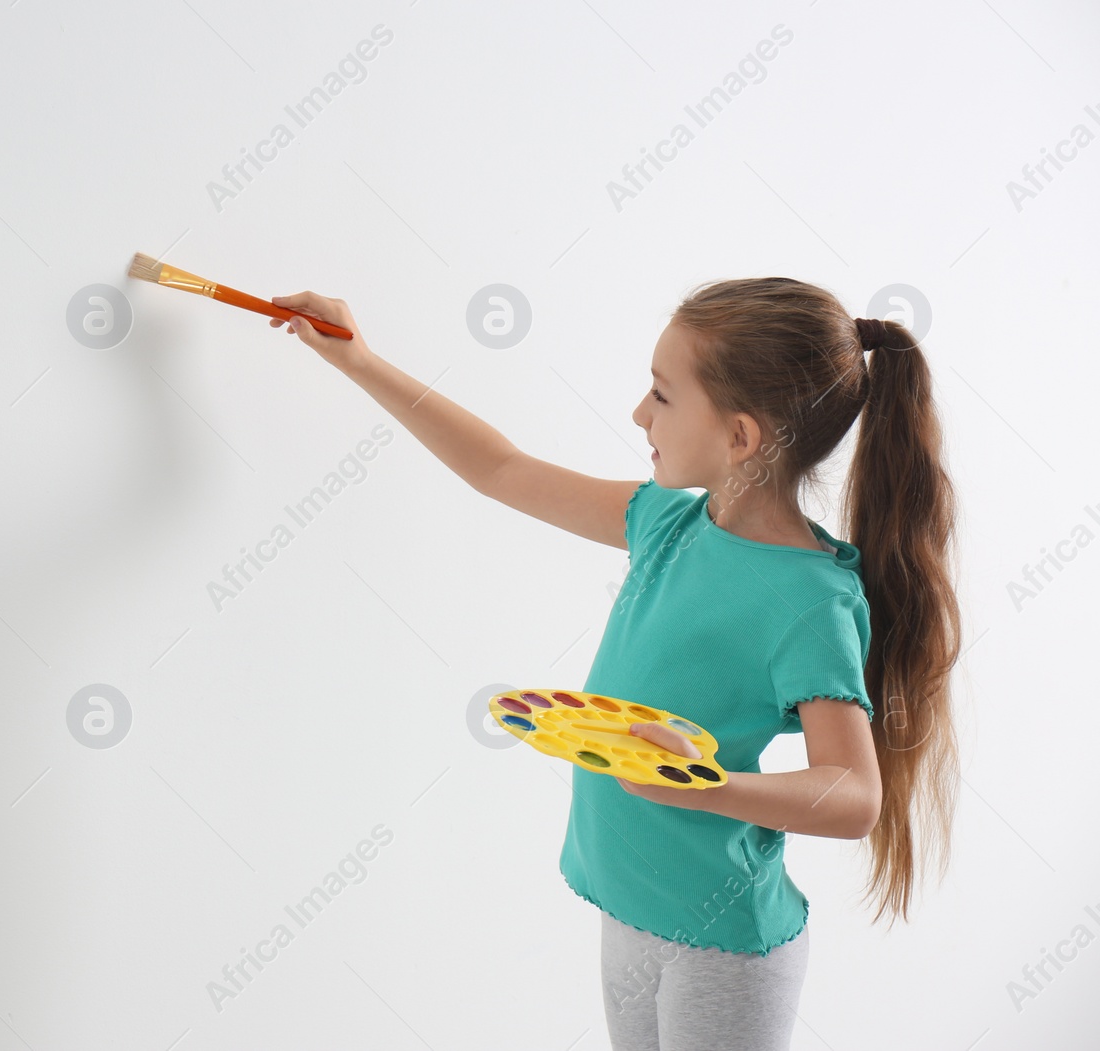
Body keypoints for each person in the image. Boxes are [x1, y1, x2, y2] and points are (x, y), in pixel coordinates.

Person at [268, 278, 961, 1051]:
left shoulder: (808, 599)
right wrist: (360, 361)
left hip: (721, 945)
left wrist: (708, 785)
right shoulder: (665, 523)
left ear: (741, 436)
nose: (639, 414)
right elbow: (500, 469)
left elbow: (854, 792)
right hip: (632, 911)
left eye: (662, 396)